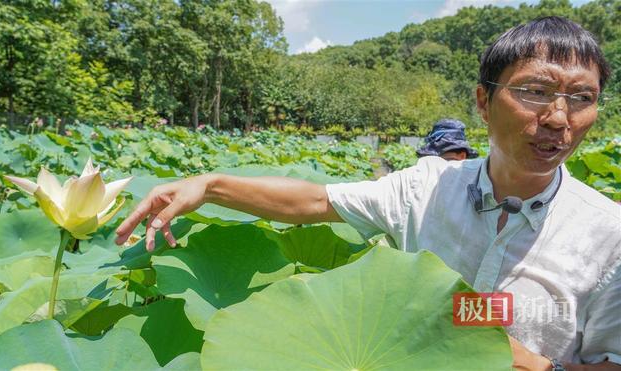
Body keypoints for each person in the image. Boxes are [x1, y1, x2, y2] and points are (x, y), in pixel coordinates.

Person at [116, 16, 620, 370]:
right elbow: (316, 202)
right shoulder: (425, 186)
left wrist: (542, 369)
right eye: (535, 91)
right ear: (484, 103)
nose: (558, 117)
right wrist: (209, 185)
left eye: (582, 98)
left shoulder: (609, 236)